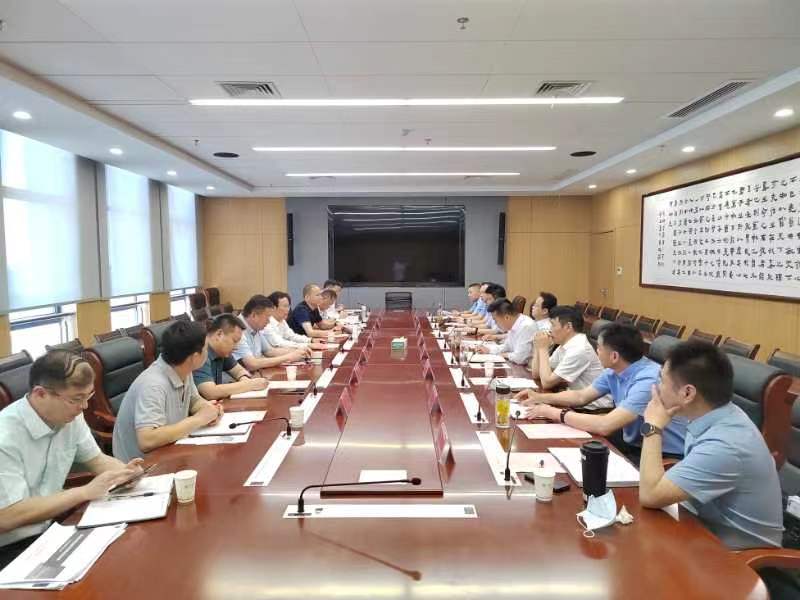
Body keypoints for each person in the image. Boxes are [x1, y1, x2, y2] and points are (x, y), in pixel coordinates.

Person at [0, 351, 143, 567]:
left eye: (88, 396)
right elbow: (8, 516)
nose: (84, 406)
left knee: (126, 553)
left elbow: (97, 461)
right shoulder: (5, 437)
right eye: (76, 399)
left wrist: (126, 471)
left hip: (51, 529)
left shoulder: (70, 417)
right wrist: (84, 492)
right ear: (40, 394)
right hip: (11, 546)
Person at [638, 341, 783, 550]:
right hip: (702, 528)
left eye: (661, 379)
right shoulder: (713, 414)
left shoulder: (726, 445)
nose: (656, 386)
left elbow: (650, 496)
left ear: (687, 393)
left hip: (738, 558)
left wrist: (652, 427)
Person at [519, 323, 687, 461]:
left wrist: (553, 412)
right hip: (634, 440)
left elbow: (605, 425)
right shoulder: (615, 370)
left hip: (663, 454)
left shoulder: (648, 380)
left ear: (614, 356)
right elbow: (581, 396)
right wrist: (541, 397)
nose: (596, 351)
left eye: (598, 348)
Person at [112, 321, 224, 462]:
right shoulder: (153, 385)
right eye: (206, 349)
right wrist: (199, 419)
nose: (207, 352)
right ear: (195, 357)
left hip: (170, 450)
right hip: (141, 466)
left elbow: (193, 400)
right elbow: (147, 440)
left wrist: (209, 410)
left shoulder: (183, 369)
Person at [529, 305, 612, 410]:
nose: (550, 330)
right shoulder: (565, 344)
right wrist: (538, 347)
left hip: (593, 409)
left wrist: (543, 349)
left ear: (568, 327)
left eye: (553, 325)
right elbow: (537, 374)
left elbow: (547, 383)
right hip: (575, 401)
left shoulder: (579, 349)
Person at [193, 314, 269, 401]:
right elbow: (210, 392)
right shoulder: (201, 352)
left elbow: (239, 371)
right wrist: (250, 385)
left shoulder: (222, 352)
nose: (236, 347)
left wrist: (244, 378)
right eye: (234, 341)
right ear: (219, 334)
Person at [233, 295, 308, 370]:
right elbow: (252, 364)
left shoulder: (256, 327)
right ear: (254, 315)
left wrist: (297, 352)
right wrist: (288, 357)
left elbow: (269, 351)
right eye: (267, 317)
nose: (269, 322)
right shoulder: (236, 329)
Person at [476, 298, 536, 365]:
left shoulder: (526, 326)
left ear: (507, 317)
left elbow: (520, 358)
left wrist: (504, 355)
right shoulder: (513, 324)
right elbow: (507, 346)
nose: (496, 324)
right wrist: (489, 350)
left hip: (527, 368)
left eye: (495, 320)